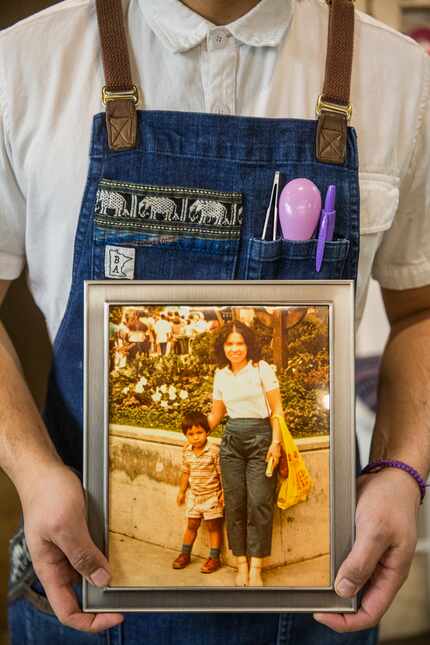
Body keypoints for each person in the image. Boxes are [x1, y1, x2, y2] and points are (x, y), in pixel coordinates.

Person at [0, 0, 429, 643]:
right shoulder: (24, 64)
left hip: (321, 602)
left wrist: (405, 472)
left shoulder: (400, 75)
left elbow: (420, 309)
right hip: (85, 587)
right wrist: (33, 469)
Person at [208, 321, 282, 587]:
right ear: (223, 347)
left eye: (240, 343)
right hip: (232, 443)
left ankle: (257, 568)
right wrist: (194, 432)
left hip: (261, 440)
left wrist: (276, 443)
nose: (235, 348)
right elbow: (217, 415)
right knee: (235, 502)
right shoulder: (221, 375)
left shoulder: (261, 369)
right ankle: (241, 563)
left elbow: (277, 411)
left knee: (260, 501)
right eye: (230, 343)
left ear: (248, 345)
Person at [173, 410, 224, 574]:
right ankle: (185, 554)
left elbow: (221, 473)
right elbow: (186, 472)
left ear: (207, 432)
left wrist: (224, 492)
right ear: (186, 436)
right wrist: (182, 491)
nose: (196, 437)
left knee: (213, 527)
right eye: (191, 434)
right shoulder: (187, 451)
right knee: (191, 525)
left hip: (211, 497)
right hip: (194, 497)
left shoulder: (214, 451)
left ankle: (214, 558)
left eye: (199, 432)